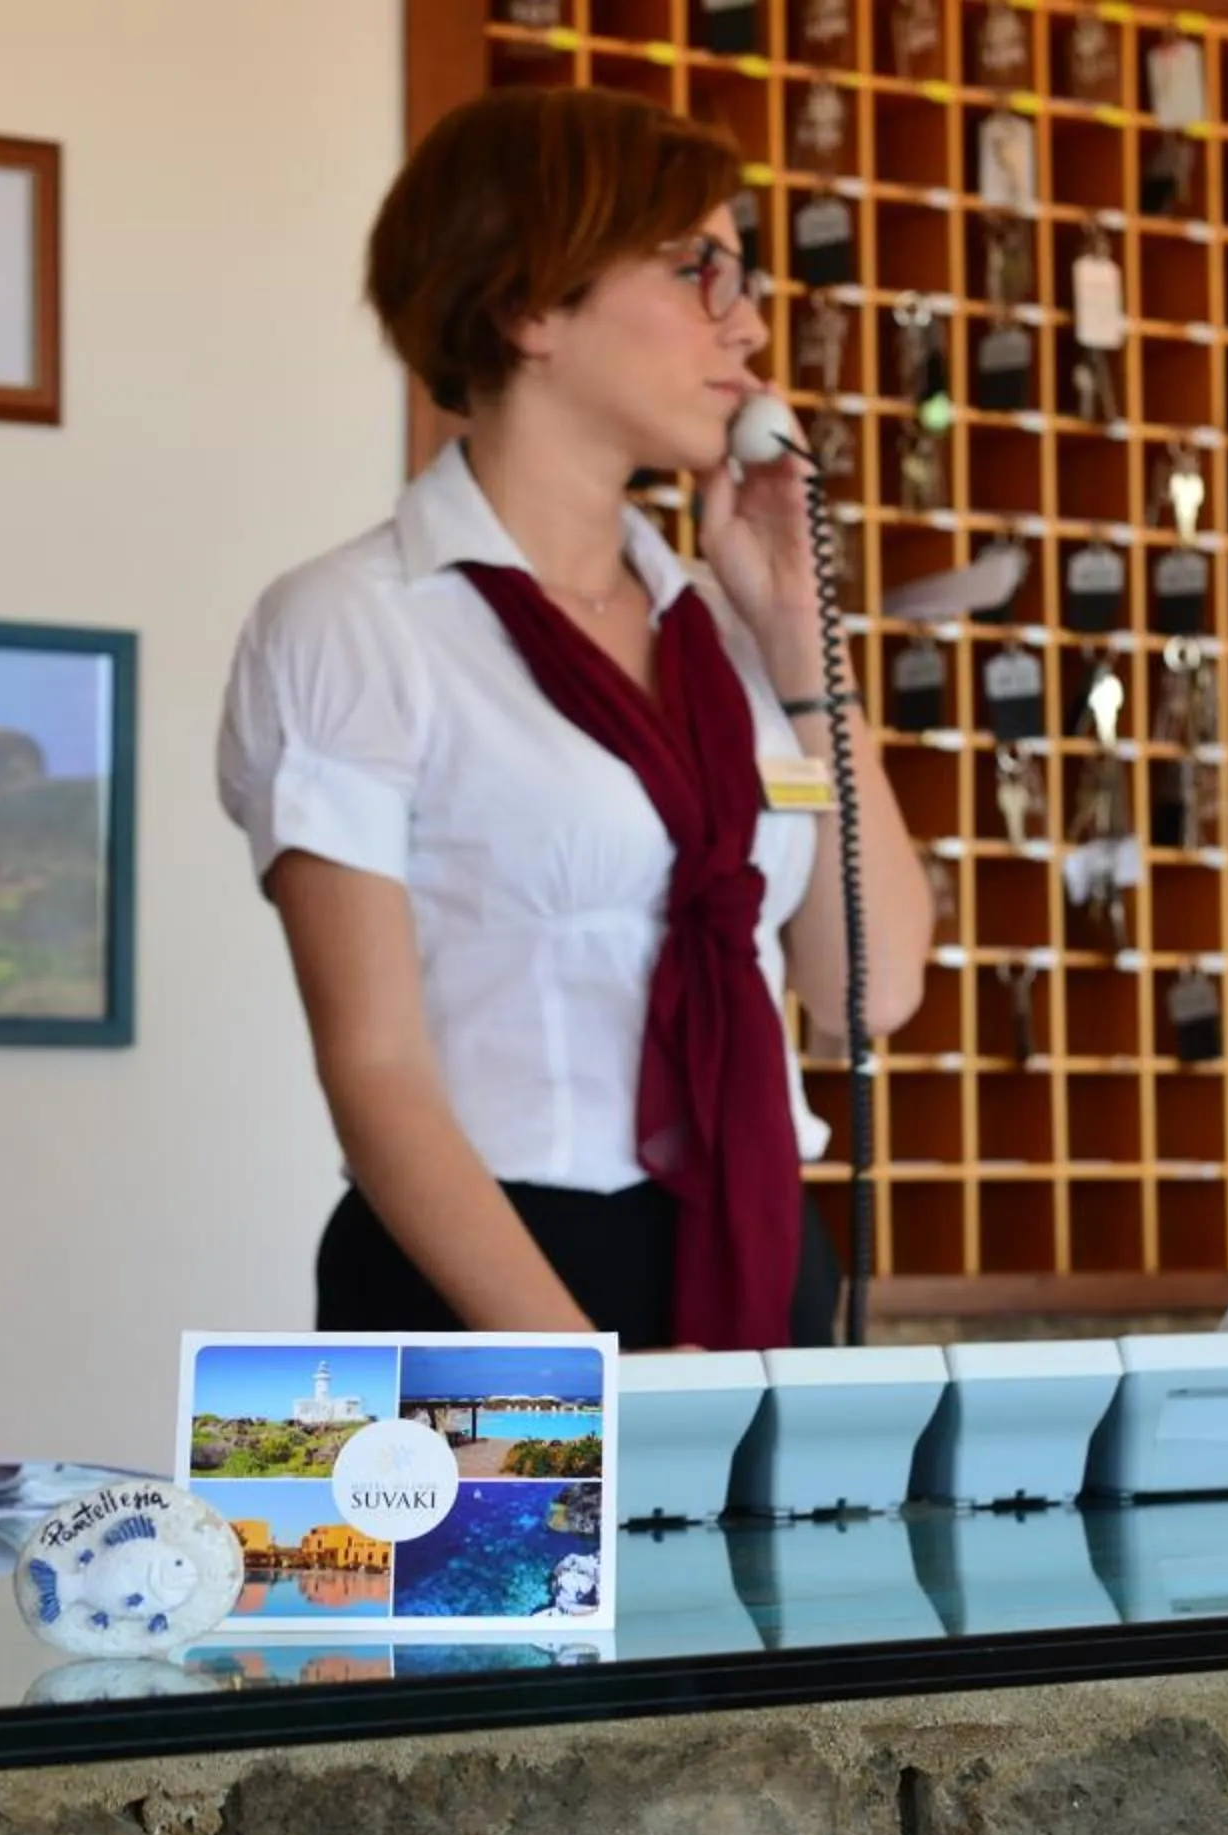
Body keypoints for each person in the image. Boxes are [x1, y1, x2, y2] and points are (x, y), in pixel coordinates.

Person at [213, 85, 933, 1351]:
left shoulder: (723, 629)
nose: (749, 320)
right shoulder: (355, 620)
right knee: (486, 1567)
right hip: (485, 1290)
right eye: (697, 268)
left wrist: (805, 645)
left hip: (754, 1252)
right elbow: (373, 1067)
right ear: (529, 302)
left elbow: (865, 989)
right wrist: (584, 1382)